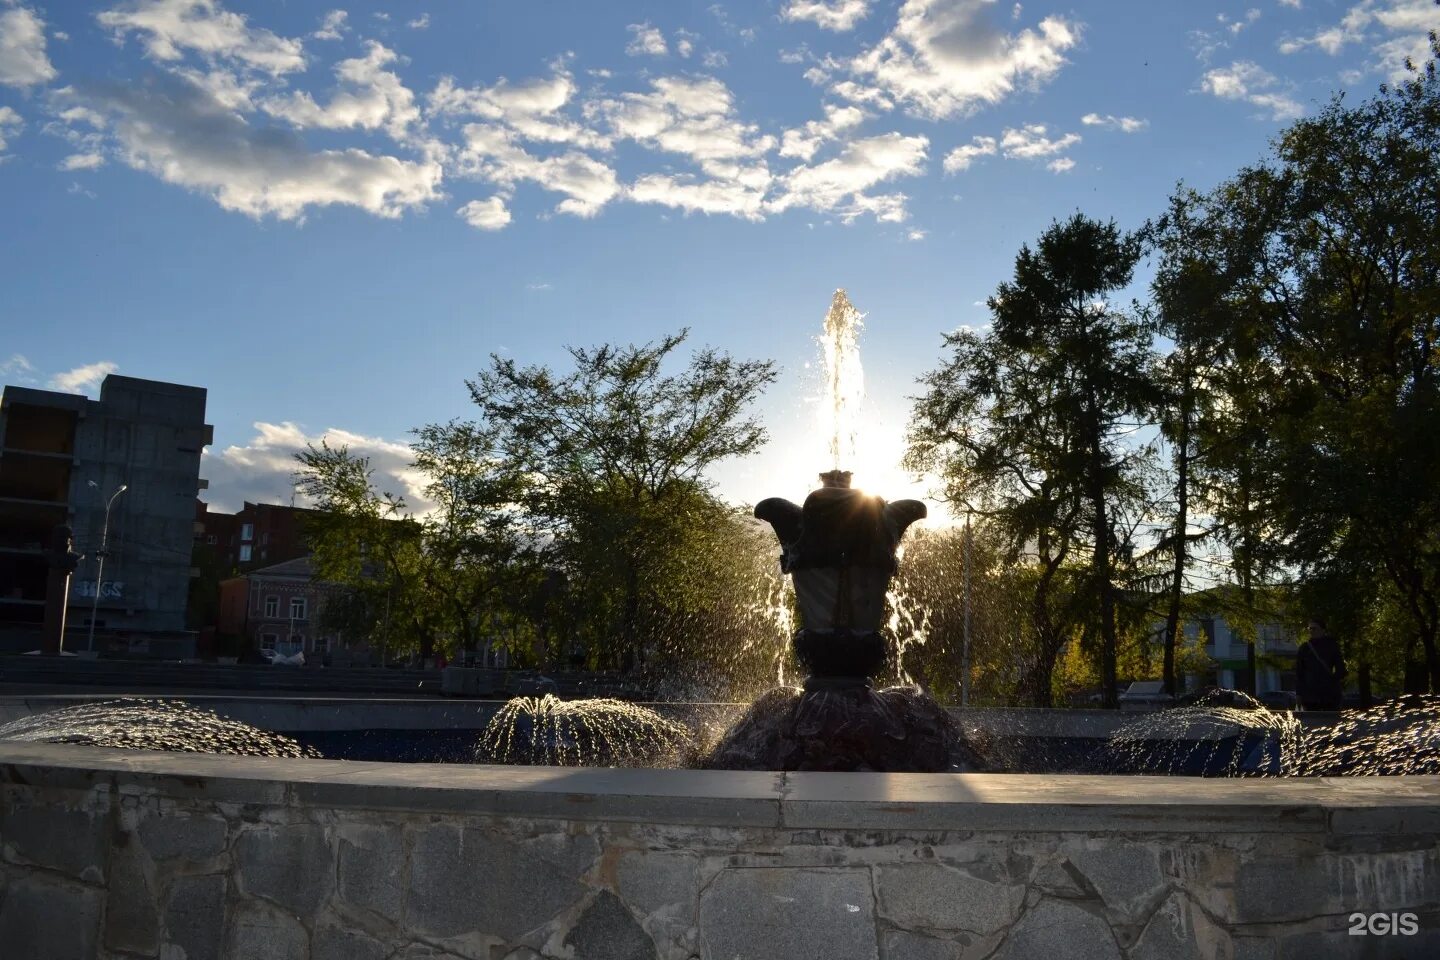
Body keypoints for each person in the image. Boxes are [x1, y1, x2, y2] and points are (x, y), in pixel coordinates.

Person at [1296, 617, 1347, 710]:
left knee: (1329, 717)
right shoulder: (1305, 648)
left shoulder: (1332, 645)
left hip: (1329, 696)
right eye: (1309, 628)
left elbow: (1341, 669)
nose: (1311, 631)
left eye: (1314, 628)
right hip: (1310, 696)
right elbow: (1299, 672)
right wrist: (1299, 694)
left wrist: (1332, 682)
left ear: (1322, 630)